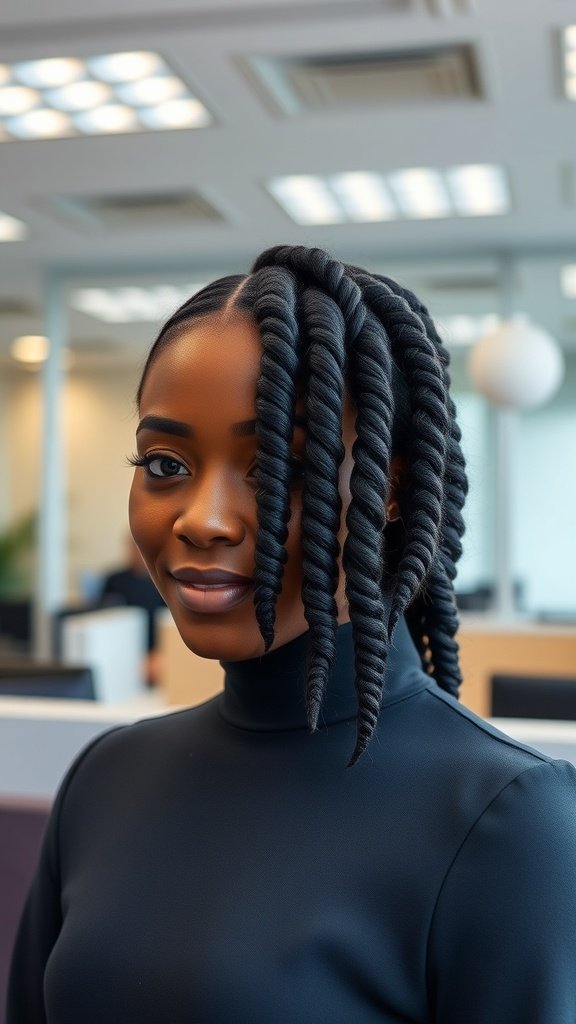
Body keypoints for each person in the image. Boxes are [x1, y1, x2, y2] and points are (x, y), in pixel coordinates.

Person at [7, 245, 576, 1023]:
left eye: (285, 467)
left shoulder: (510, 821)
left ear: (391, 490)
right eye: (166, 464)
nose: (204, 520)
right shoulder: (106, 778)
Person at [98, 533, 166, 685]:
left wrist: (157, 653)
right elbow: (104, 617)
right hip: (120, 650)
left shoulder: (162, 580)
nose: (138, 553)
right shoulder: (114, 580)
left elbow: (168, 622)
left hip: (154, 653)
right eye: (134, 547)